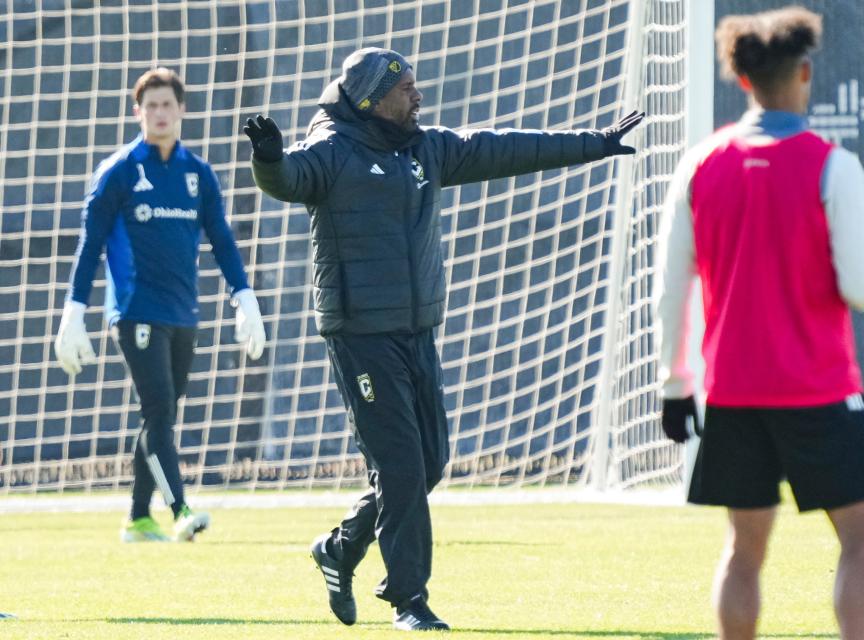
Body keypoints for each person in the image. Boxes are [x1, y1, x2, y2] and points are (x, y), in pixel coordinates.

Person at [244, 47, 642, 631]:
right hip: (361, 336)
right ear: (371, 99)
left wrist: (594, 142)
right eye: (406, 89)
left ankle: (341, 548)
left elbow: (504, 148)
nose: (418, 96)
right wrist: (269, 158)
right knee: (403, 466)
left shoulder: (426, 149)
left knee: (428, 463)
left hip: (416, 331)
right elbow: (288, 179)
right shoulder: (331, 151)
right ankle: (409, 600)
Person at [654, 7, 864, 640]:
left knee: (744, 546)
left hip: (732, 391)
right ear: (805, 73)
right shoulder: (831, 164)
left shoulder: (701, 165)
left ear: (741, 80)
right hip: (818, 389)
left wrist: (676, 386)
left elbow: (672, 287)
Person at [54, 68, 266, 544]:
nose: (160, 113)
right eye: (150, 106)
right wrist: (75, 309)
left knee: (161, 415)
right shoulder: (120, 171)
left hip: (183, 313)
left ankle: (137, 518)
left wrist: (244, 296)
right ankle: (180, 509)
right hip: (134, 312)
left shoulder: (198, 174)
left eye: (167, 104)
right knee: (159, 410)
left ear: (182, 109)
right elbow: (91, 245)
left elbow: (223, 240)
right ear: (138, 113)